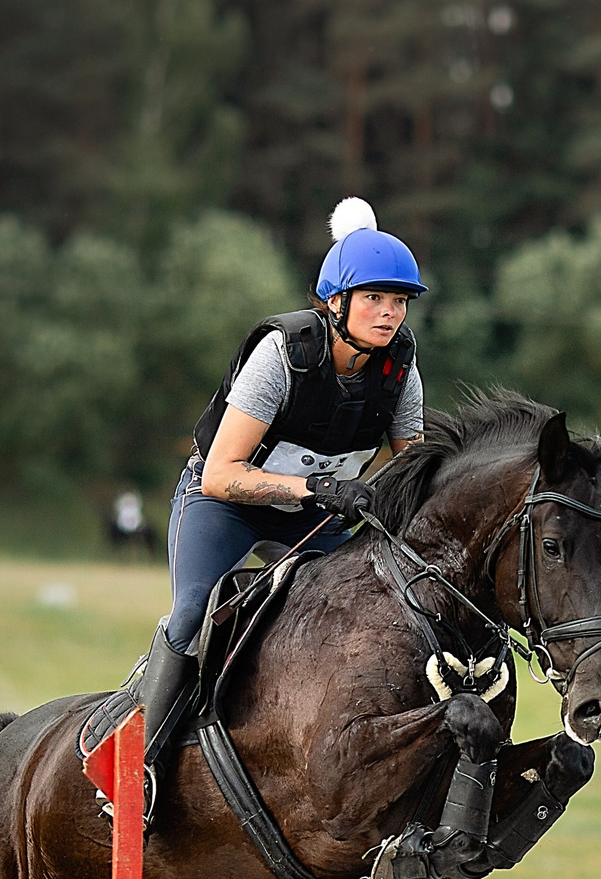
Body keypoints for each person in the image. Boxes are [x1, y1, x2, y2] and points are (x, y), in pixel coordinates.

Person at [127, 197, 426, 788]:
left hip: (314, 519)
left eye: (399, 301)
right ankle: (142, 767)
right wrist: (318, 487)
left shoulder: (399, 368)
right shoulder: (284, 354)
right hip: (226, 506)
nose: (390, 313)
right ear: (335, 301)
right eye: (374, 298)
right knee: (194, 614)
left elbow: (415, 466)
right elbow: (221, 475)